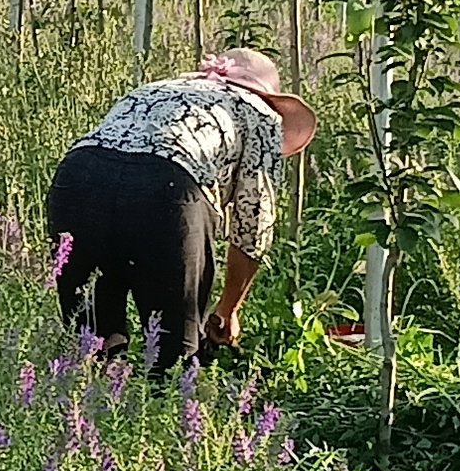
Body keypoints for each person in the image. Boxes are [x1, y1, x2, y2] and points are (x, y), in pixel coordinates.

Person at [48, 50, 312, 371]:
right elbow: (254, 223)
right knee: (172, 360)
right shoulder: (261, 114)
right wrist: (228, 310)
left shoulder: (157, 88)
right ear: (268, 97)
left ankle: (86, 411)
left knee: (90, 344)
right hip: (166, 189)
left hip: (79, 178)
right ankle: (166, 411)